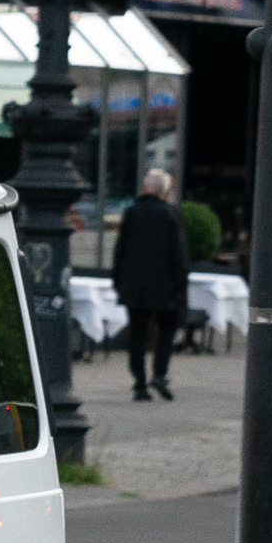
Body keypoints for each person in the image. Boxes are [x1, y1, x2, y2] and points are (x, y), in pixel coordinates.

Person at [112, 167, 190, 401]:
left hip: (135, 285)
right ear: (165, 191)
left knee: (137, 334)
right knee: (167, 329)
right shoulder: (171, 214)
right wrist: (180, 286)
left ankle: (139, 384)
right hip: (165, 285)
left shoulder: (131, 212)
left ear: (146, 188)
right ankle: (159, 373)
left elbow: (120, 250)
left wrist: (117, 280)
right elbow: (179, 253)